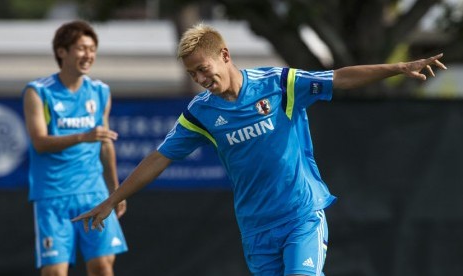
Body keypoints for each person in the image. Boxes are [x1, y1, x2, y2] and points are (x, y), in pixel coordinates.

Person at [73, 23, 446, 275]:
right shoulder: (201, 113)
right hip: (255, 228)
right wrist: (113, 198)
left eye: (204, 69)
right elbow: (159, 158)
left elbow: (339, 77)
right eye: (194, 76)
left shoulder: (279, 83)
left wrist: (397, 67)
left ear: (224, 55)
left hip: (301, 215)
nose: (202, 80)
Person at [23, 20, 128, 276]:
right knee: (55, 272)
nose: (89, 55)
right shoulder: (38, 92)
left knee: (102, 267)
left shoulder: (100, 91)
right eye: (82, 48)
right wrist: (82, 137)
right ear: (62, 51)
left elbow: (105, 144)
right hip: (53, 196)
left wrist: (116, 191)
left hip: (93, 193)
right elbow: (39, 141)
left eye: (92, 49)